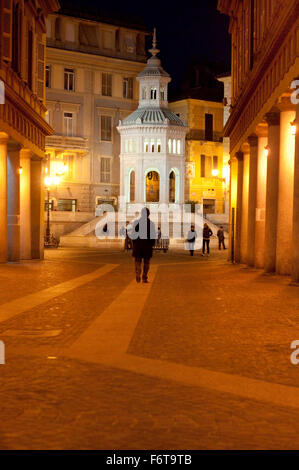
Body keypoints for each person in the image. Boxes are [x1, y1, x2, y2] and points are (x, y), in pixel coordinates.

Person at [132, 207, 156, 284]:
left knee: (138, 261)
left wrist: (134, 243)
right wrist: (152, 244)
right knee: (146, 262)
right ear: (148, 214)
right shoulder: (151, 224)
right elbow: (153, 236)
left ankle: (138, 273)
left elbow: (133, 235)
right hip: (147, 245)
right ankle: (144, 277)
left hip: (138, 245)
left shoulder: (137, 223)